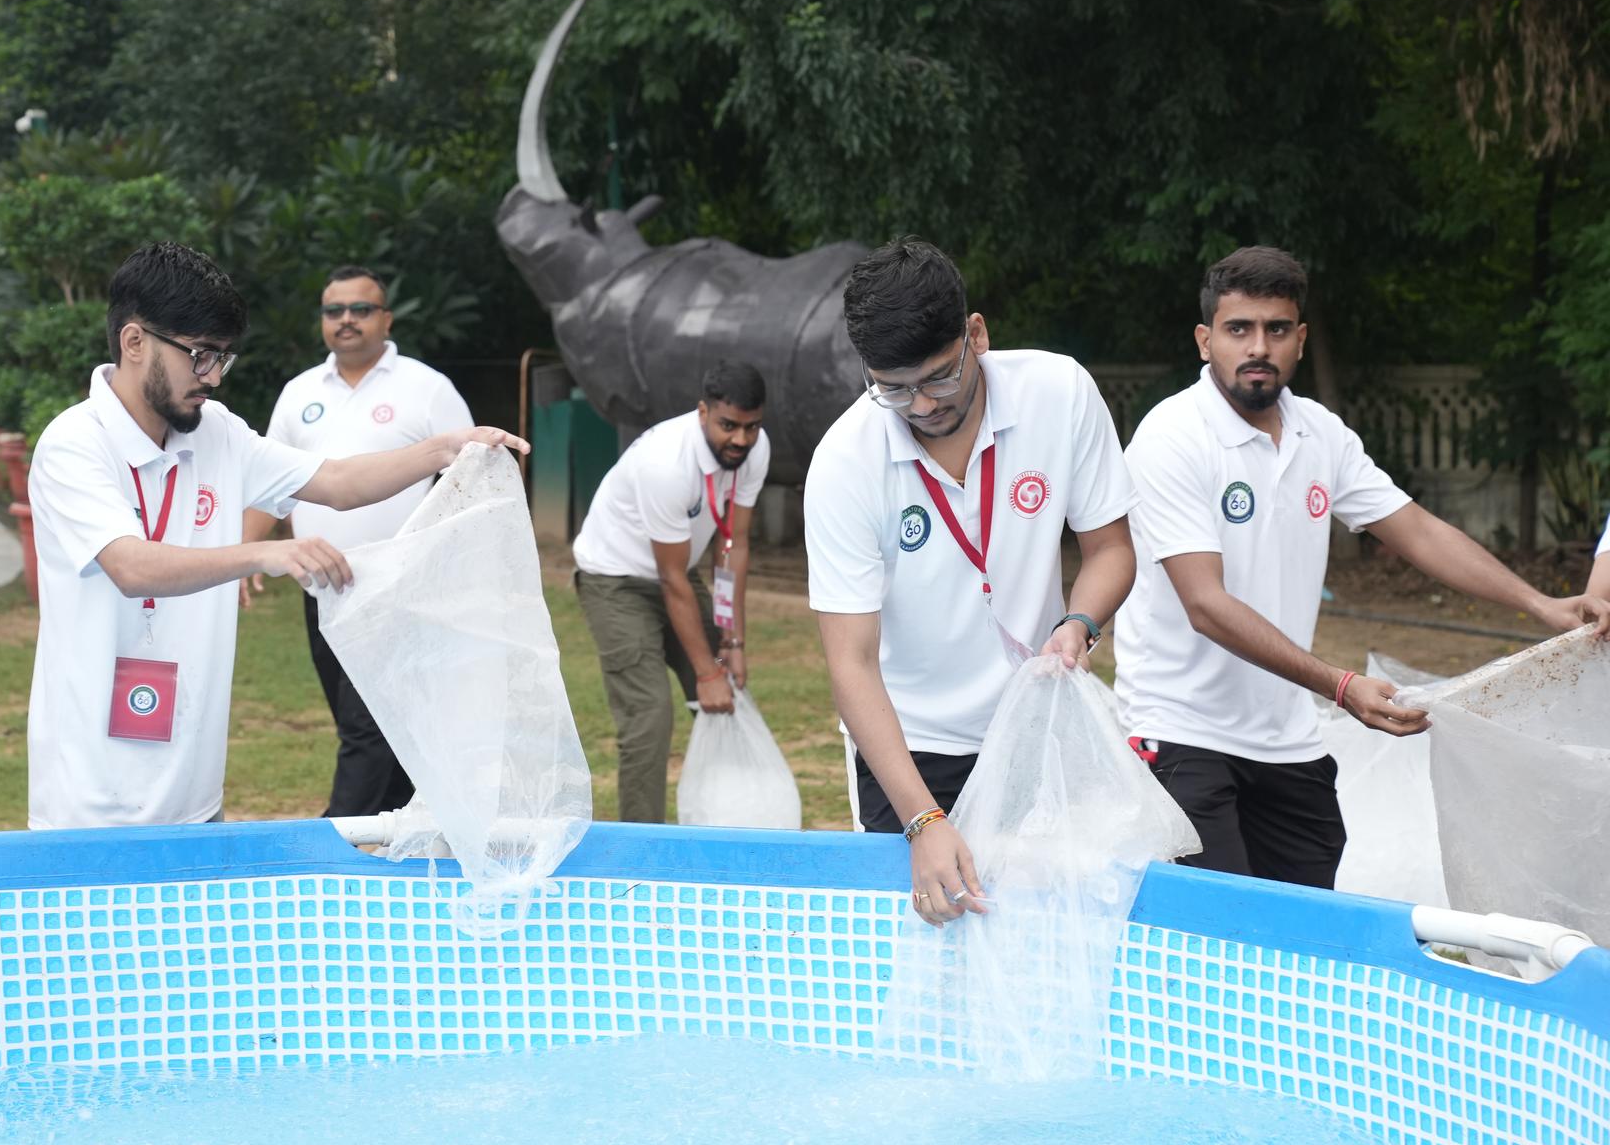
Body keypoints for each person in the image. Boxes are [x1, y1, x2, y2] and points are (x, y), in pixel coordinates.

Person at [1113, 245, 1610, 889]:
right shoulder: (1172, 436)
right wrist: (1340, 687)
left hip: (1288, 740)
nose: (1258, 346)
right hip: (1180, 734)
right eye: (1239, 329)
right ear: (1206, 341)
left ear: (1300, 339)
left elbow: (1417, 530)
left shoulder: (1320, 433)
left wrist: (1542, 604)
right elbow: (1205, 604)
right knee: (1211, 944)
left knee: (1304, 939)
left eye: (1277, 329)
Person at [26, 242, 525, 829]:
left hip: (194, 789)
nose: (212, 377)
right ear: (134, 342)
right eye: (200, 355)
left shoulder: (216, 431)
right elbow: (130, 568)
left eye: (222, 358)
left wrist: (442, 448)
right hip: (89, 795)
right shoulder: (73, 443)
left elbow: (337, 481)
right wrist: (265, 552)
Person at [805, 238, 1137, 926]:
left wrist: (1078, 625)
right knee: (931, 942)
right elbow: (851, 663)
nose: (922, 405)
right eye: (892, 387)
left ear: (976, 335)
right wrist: (923, 819)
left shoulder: (1059, 392)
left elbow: (1109, 549)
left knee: (1051, 926)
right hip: (910, 745)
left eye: (939, 377)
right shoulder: (845, 461)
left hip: (1034, 728)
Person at [241, 265, 473, 818]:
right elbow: (270, 484)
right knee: (366, 717)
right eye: (334, 311)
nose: (346, 320)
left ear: (385, 319)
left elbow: (470, 477)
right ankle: (398, 821)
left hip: (402, 587)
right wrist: (244, 557)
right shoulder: (300, 394)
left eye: (360, 309)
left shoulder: (426, 387)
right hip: (321, 587)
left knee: (365, 722)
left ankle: (340, 834)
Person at [572, 360, 771, 824]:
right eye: (728, 426)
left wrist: (732, 645)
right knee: (651, 715)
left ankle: (726, 826)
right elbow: (671, 579)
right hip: (615, 579)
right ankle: (644, 849)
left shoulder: (754, 451)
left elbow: (732, 545)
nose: (740, 440)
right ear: (703, 412)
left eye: (752, 427)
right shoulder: (666, 464)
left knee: (729, 692)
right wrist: (705, 671)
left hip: (681, 571)